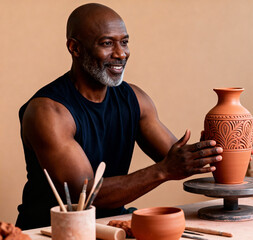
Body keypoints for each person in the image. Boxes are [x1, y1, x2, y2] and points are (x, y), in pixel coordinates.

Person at [16, 3, 226, 230]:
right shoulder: (48, 112)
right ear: (75, 48)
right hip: (51, 230)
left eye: (124, 42)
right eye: (107, 43)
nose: (120, 53)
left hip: (111, 225)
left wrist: (223, 149)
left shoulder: (135, 99)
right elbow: (85, 196)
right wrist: (164, 170)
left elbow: (177, 158)